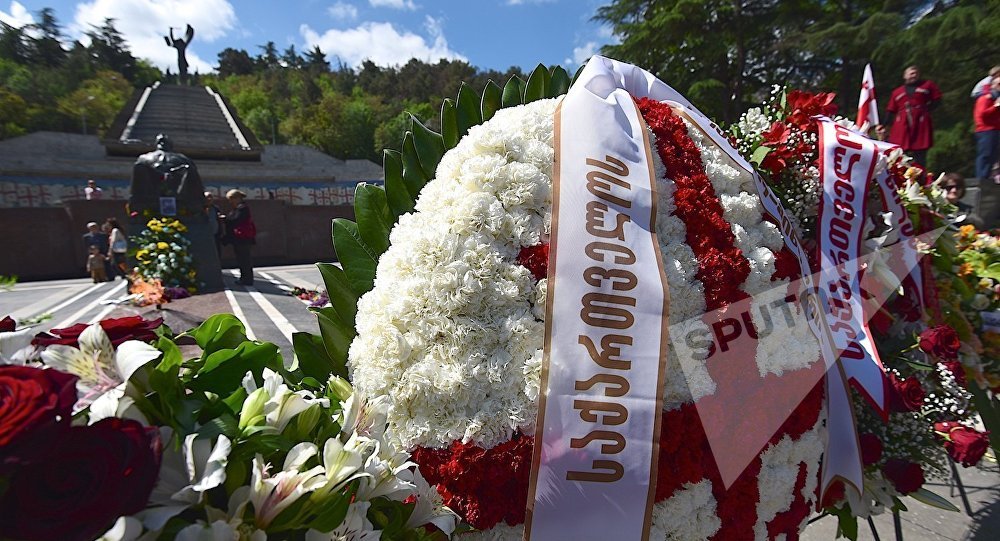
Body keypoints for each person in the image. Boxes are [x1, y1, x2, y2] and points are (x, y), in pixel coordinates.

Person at [882, 66, 942, 169]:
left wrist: (926, 110)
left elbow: (937, 99)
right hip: (902, 124)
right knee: (899, 152)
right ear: (905, 76)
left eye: (916, 73)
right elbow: (891, 110)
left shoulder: (927, 86)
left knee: (920, 154)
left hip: (920, 123)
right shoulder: (897, 92)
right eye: (911, 73)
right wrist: (884, 125)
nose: (914, 75)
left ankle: (921, 177)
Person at [223, 189, 256, 285]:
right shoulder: (239, 208)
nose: (230, 202)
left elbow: (236, 220)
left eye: (231, 199)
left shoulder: (242, 208)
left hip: (243, 238)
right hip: (240, 238)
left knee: (244, 259)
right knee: (242, 259)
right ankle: (244, 278)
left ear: (237, 198)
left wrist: (225, 219)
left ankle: (247, 279)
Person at [974, 76, 1000, 181]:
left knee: (993, 156)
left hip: (996, 129)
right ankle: (980, 178)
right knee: (986, 155)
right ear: (992, 86)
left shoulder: (995, 98)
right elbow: (983, 115)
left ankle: (987, 178)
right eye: (999, 84)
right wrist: (996, 106)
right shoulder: (985, 98)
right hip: (986, 130)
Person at [205, 191, 223, 257]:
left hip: (215, 234)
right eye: (207, 197)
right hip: (205, 235)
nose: (209, 199)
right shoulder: (201, 208)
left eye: (210, 197)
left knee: (217, 252)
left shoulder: (215, 208)